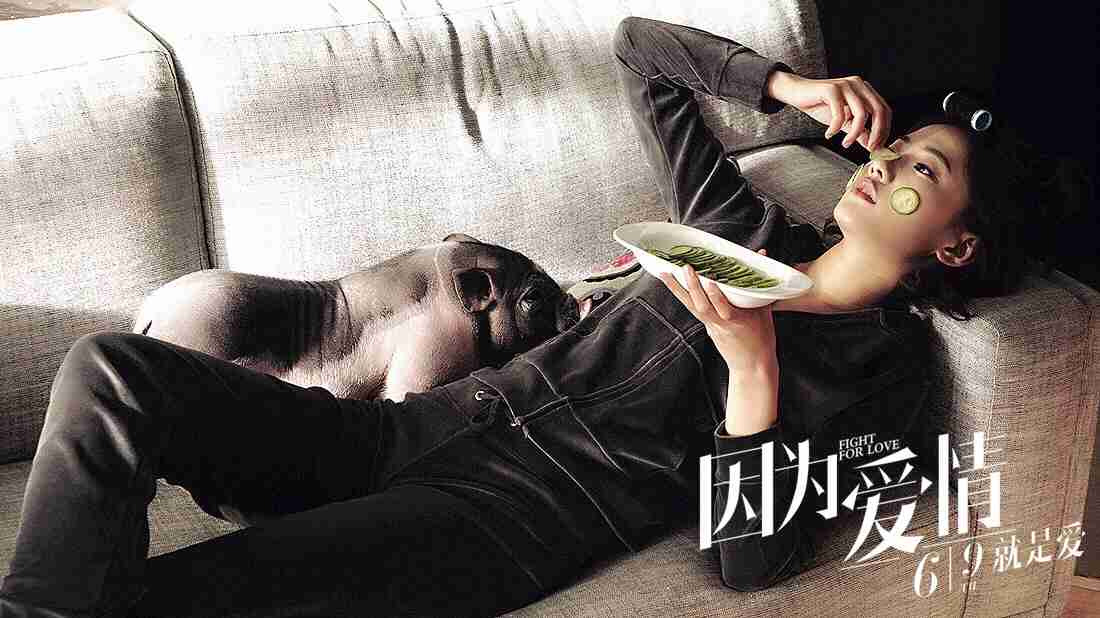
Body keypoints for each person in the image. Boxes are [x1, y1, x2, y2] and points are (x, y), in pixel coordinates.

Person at [0, 15, 1084, 618]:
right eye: (900, 147)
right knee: (111, 370)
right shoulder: (742, 228)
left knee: (180, 598)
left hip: (505, 520)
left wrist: (751, 375)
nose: (885, 163)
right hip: (399, 432)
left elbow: (752, 564)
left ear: (955, 243)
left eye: (923, 172)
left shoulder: (885, 377)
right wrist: (784, 90)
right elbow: (639, 50)